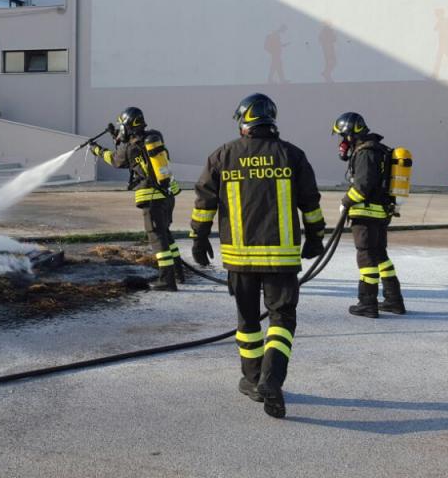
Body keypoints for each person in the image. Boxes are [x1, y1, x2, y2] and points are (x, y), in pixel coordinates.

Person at [189, 93, 326, 418]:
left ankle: (252, 381)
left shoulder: (223, 155)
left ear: (243, 123)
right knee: (281, 320)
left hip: (240, 260)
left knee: (248, 321)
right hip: (281, 259)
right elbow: (310, 202)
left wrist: (198, 237)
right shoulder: (291, 154)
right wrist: (316, 237)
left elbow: (204, 200)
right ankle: (271, 379)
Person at [89, 107, 184, 290]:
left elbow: (117, 160)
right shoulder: (154, 138)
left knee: (157, 238)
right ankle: (178, 274)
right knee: (166, 236)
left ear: (128, 126)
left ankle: (167, 281)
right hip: (167, 196)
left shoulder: (130, 147)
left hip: (151, 198)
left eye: (122, 127)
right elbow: (136, 154)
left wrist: (97, 150)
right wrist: (116, 137)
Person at [332, 111, 406, 317]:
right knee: (380, 254)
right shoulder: (378, 149)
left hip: (365, 214)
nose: (342, 141)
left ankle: (367, 303)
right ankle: (394, 300)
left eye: (342, 136)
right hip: (380, 212)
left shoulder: (365, 152)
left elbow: (363, 186)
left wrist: (345, 201)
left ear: (350, 134)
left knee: (366, 257)